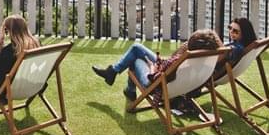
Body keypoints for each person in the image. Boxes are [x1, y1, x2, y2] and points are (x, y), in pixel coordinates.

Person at [92, 29, 223, 102]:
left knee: (135, 58)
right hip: (173, 79)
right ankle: (116, 76)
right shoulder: (206, 58)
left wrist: (151, 66)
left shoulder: (182, 59)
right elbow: (169, 68)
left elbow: (155, 77)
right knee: (137, 48)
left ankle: (125, 85)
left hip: (158, 85)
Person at [0, 15, 40, 99]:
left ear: (8, 30)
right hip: (32, 85)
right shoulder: (36, 43)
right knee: (1, 67)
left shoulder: (11, 49)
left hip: (9, 88)